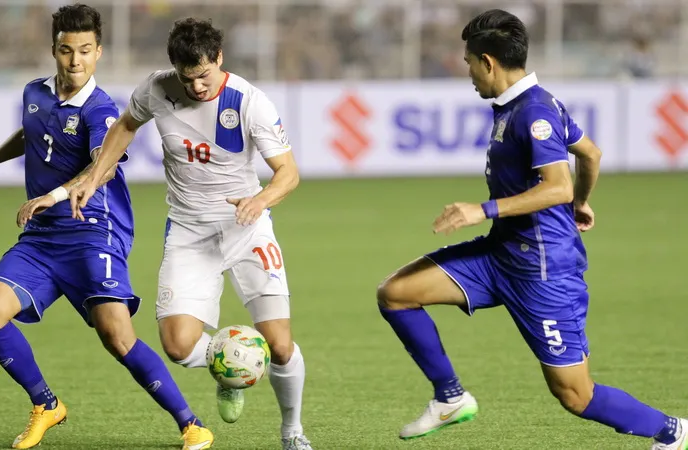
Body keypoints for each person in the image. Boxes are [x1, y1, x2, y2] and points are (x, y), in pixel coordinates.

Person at [376, 9, 687, 450]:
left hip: (543, 271)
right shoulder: (522, 106)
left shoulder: (534, 111)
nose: (467, 74)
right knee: (396, 293)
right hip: (499, 255)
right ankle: (450, 397)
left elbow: (556, 185)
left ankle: (672, 432)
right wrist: (581, 201)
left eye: (468, 63)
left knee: (576, 395)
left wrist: (484, 209)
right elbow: (591, 154)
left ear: (488, 62)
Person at [0, 5, 213, 450]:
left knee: (116, 336)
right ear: (54, 50)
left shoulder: (100, 109)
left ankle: (191, 423)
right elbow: (30, 132)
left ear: (99, 53)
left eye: (86, 51)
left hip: (94, 231)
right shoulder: (35, 92)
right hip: (41, 240)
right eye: (67, 51)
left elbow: (103, 166)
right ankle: (46, 404)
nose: (76, 61)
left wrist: (52, 195)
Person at [67, 17, 313, 450]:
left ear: (218, 58)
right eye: (188, 78)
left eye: (204, 75)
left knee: (279, 345)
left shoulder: (250, 102)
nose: (198, 87)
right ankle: (229, 368)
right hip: (188, 233)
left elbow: (288, 174)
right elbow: (125, 126)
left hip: (248, 229)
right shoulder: (157, 90)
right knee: (178, 346)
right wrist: (93, 176)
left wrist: (260, 201)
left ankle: (292, 431)